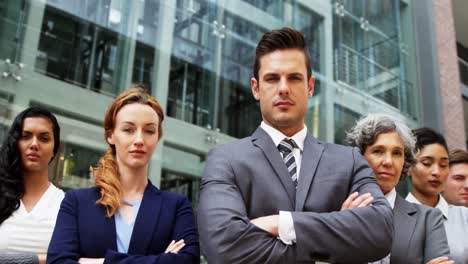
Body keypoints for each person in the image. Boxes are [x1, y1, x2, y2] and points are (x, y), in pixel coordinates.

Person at [198, 27, 393, 264]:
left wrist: (282, 223)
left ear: (310, 87)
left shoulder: (349, 160)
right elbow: (223, 247)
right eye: (272, 78)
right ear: (256, 88)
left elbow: (381, 230)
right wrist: (334, 243)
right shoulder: (224, 160)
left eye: (294, 78)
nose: (283, 88)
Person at [47, 85, 200, 264]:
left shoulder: (176, 207)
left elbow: (187, 262)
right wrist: (161, 260)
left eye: (149, 131)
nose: (139, 140)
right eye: (128, 130)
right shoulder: (76, 202)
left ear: (157, 138)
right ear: (111, 135)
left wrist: (101, 262)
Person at [346, 114, 451, 264]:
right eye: (378, 151)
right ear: (360, 157)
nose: (388, 161)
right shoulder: (336, 210)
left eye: (397, 153)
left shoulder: (428, 219)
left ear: (405, 162)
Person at [0, 107, 64, 264]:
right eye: (25, 136)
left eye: (44, 139)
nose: (34, 144)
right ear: (15, 143)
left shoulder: (66, 204)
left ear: (54, 150)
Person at [406, 128, 468, 264]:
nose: (436, 172)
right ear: (408, 167)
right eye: (427, 163)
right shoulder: (390, 218)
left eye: (443, 165)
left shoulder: (464, 217)